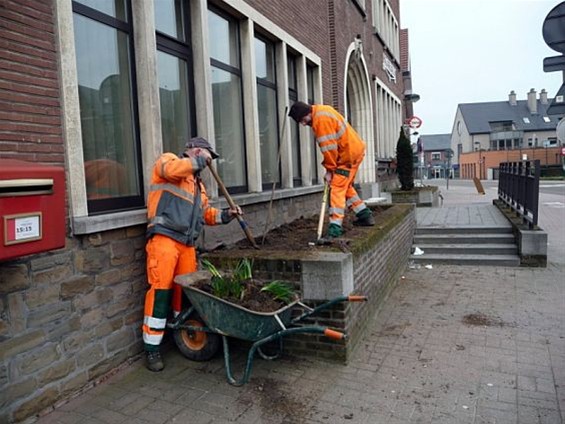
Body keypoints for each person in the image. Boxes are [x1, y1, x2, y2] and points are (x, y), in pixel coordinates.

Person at [143, 136, 242, 372]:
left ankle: (181, 332)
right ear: (196, 151)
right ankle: (152, 348)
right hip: (164, 239)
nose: (209, 163)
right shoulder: (170, 161)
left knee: (186, 294)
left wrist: (227, 215)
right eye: (208, 156)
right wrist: (197, 161)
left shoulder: (198, 186)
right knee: (160, 292)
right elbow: (170, 170)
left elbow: (205, 214)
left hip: (187, 245)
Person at [288, 101, 374, 238]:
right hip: (354, 151)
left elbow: (330, 150)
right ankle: (364, 215)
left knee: (336, 188)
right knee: (344, 186)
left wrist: (330, 171)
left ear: (307, 113)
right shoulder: (322, 110)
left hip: (347, 156)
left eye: (302, 120)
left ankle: (335, 229)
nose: (303, 124)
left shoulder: (320, 121)